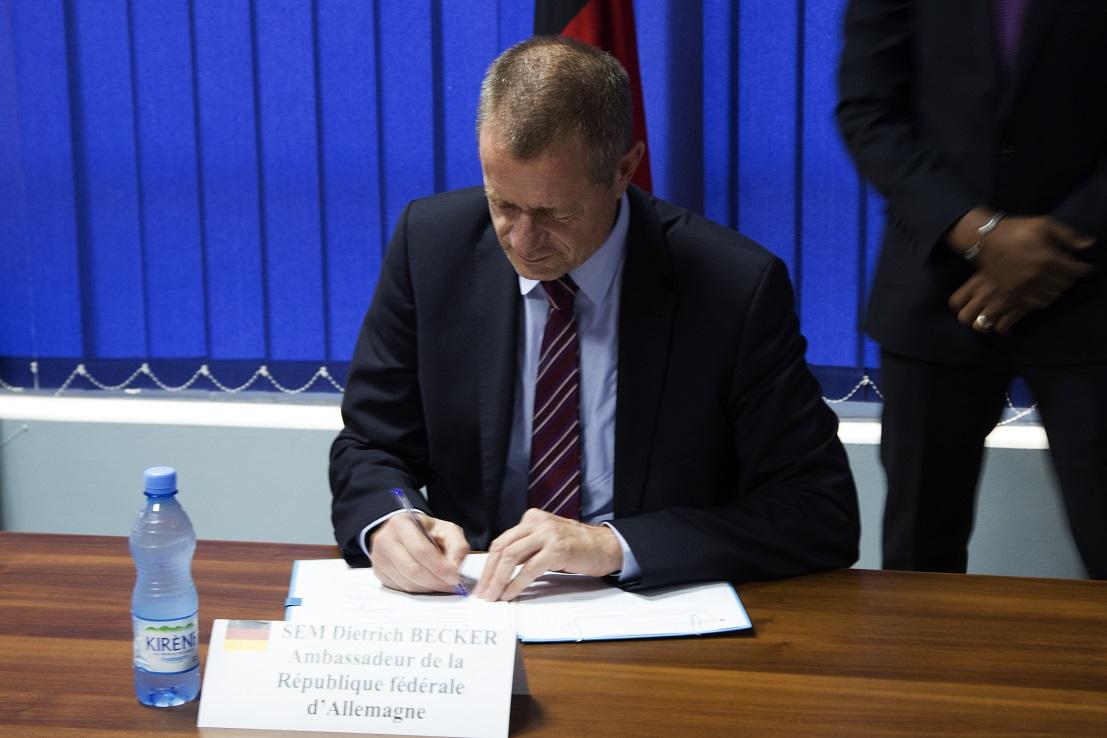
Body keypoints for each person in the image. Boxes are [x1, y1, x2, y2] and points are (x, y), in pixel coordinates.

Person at [331, 36, 859, 601]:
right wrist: (391, 516)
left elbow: (817, 510)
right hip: (476, 605)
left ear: (624, 168)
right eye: (503, 204)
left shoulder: (734, 288)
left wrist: (614, 546)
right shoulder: (431, 246)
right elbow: (371, 444)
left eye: (555, 213)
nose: (523, 241)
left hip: (650, 609)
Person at [836, 1, 1107, 577]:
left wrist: (1049, 247)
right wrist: (982, 236)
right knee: (918, 563)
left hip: (1089, 287)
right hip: (934, 290)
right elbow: (869, 112)